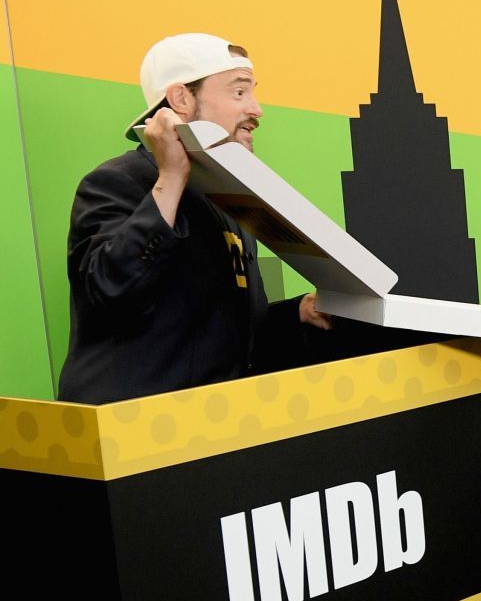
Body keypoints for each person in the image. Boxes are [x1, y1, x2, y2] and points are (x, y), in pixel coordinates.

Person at [58, 33, 331, 404]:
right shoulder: (116, 182)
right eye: (239, 93)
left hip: (210, 431)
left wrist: (297, 313)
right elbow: (109, 291)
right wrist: (170, 179)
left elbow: (226, 334)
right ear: (181, 100)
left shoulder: (227, 201)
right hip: (133, 435)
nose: (256, 110)